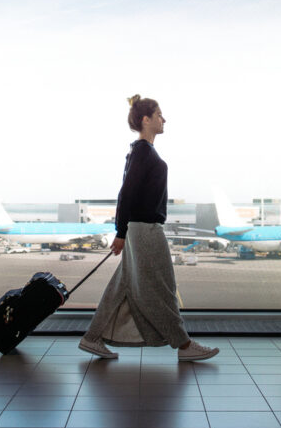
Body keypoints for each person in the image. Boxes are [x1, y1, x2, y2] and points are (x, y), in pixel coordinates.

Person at [78, 95, 219, 361]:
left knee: (123, 285)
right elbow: (126, 193)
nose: (163, 119)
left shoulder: (144, 151)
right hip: (144, 230)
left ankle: (91, 338)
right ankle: (184, 346)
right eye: (159, 114)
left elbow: (128, 193)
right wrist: (120, 233)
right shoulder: (142, 151)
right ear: (146, 119)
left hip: (141, 228)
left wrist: (123, 232)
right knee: (162, 285)